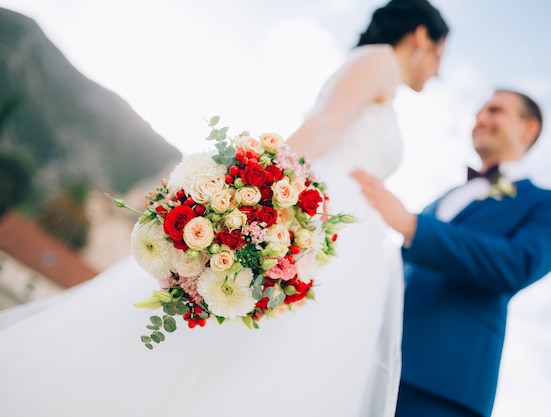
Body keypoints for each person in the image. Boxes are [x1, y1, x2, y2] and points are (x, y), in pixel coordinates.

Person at [0, 1, 449, 416]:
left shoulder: (383, 76)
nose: (438, 68)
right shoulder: (380, 62)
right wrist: (260, 185)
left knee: (267, 356)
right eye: (439, 54)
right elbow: (326, 124)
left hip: (345, 237)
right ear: (422, 36)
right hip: (317, 220)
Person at [351, 89, 551, 417]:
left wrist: (414, 227)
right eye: (478, 112)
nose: (480, 119)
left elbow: (517, 264)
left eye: (495, 111)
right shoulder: (444, 198)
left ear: (528, 128)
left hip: (444, 383)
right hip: (373, 363)